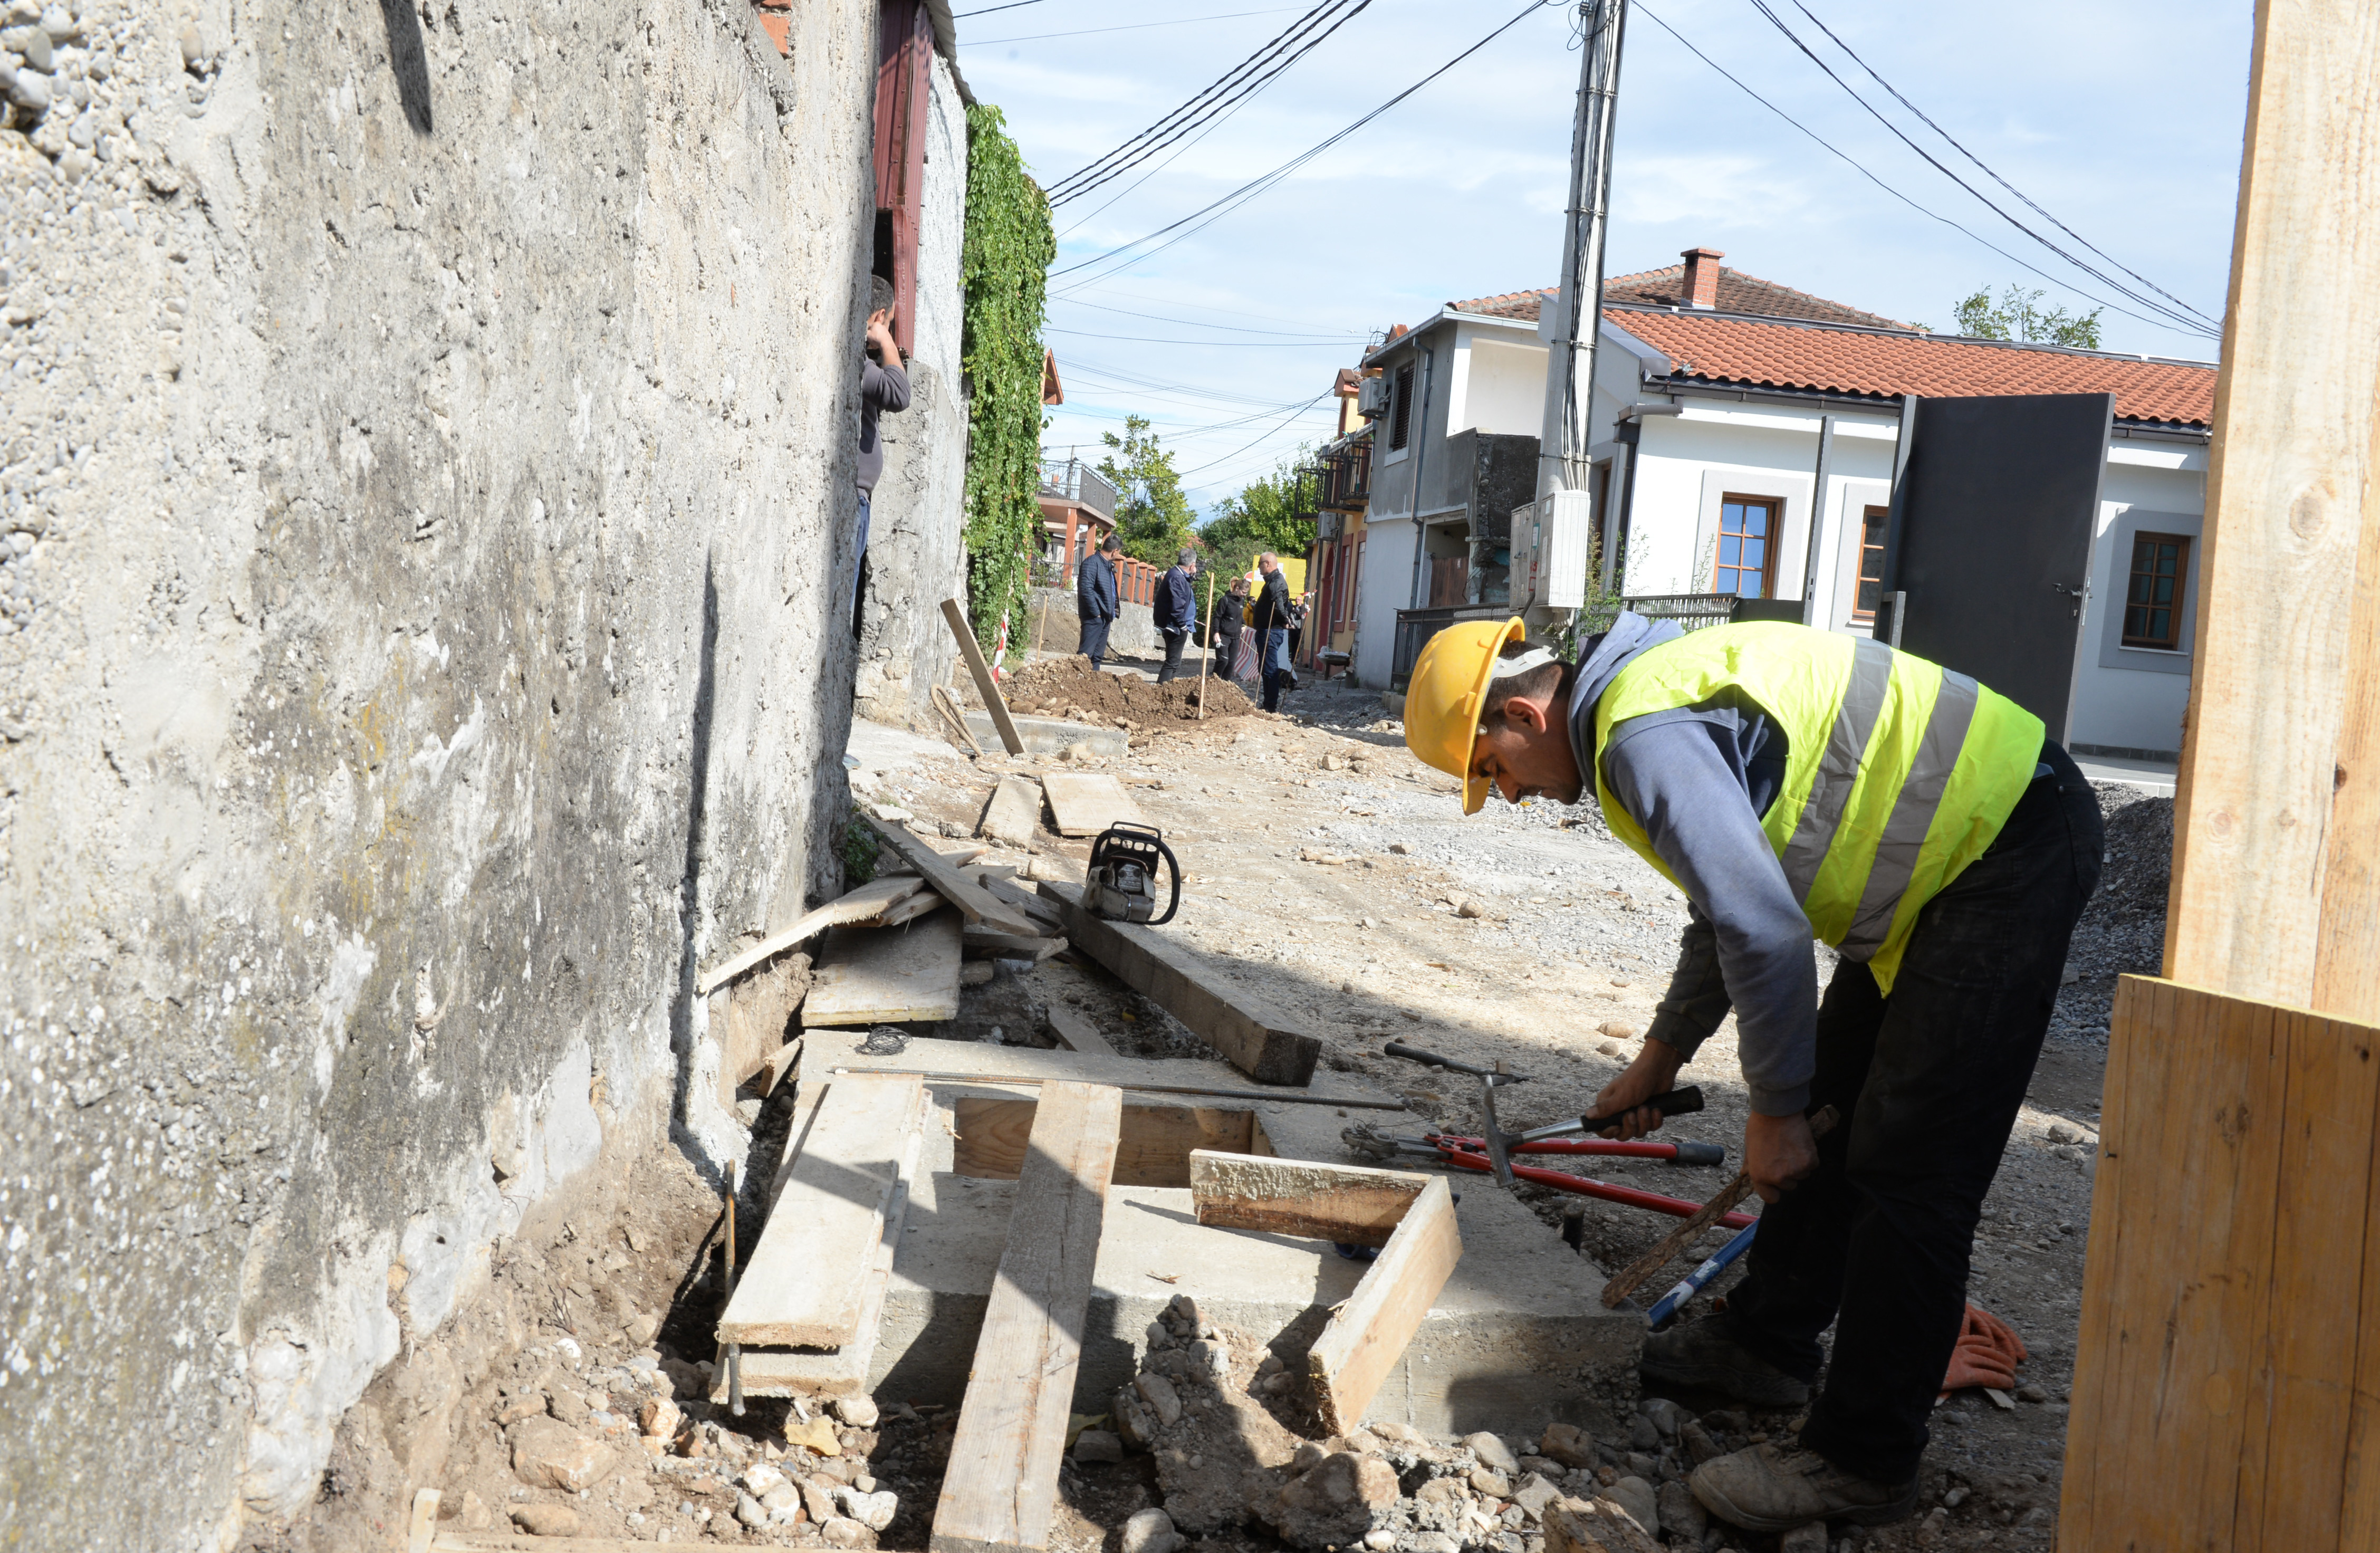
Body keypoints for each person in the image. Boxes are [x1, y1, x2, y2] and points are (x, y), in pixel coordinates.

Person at [1400, 613, 2103, 1535]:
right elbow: (1727, 901)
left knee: (1910, 1167)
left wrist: (1768, 1113)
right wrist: (1659, 1058)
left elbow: (1764, 931)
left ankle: (1862, 1456)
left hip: (2003, 843)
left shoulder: (1639, 737)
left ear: (1525, 717)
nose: (1513, 797)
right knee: (1835, 1110)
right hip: (1949, 864)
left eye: (1492, 771)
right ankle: (1761, 1346)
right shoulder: (1639, 702)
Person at [853, 276, 910, 617]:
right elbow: (900, 395)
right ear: (878, 318)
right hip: (853, 501)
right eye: (889, 323)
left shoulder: (861, 362)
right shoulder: (858, 364)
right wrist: (885, 340)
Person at [1251, 552, 1293, 713]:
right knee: (1264, 668)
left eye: (1260, 564)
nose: (1259, 567)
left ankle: (1270, 705)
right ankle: (1268, 702)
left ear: (1268, 564)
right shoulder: (1273, 581)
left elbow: (1279, 606)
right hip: (1265, 631)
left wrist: (1285, 620)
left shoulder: (1276, 582)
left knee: (1269, 669)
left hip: (1270, 632)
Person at [1076, 532, 1121, 668]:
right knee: (1085, 656)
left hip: (1105, 618)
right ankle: (1077, 685)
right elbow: (1085, 590)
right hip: (1094, 618)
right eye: (1119, 553)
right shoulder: (1092, 563)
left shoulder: (1107, 566)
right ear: (1114, 552)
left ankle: (1091, 686)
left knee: (1097, 657)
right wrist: (1096, 613)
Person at [1154, 547, 1198, 683]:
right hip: (1175, 627)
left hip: (1176, 626)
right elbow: (1177, 607)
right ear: (1192, 565)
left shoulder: (1178, 575)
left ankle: (1167, 689)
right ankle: (1161, 690)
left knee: (1175, 662)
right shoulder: (1177, 577)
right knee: (1172, 662)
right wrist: (1183, 626)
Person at [1212, 574, 1251, 682]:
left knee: (1231, 664)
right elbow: (1217, 617)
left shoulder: (1241, 601)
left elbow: (1240, 617)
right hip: (1223, 636)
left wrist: (1244, 625)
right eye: (1243, 593)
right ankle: (1213, 680)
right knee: (1223, 660)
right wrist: (1216, 632)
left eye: (1246, 593)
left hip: (1236, 637)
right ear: (1237, 589)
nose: (1244, 595)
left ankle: (1225, 684)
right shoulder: (1225, 600)